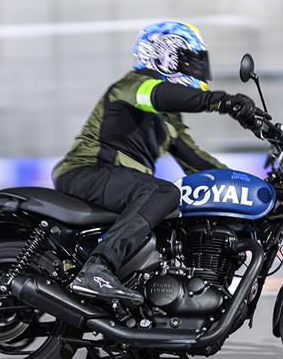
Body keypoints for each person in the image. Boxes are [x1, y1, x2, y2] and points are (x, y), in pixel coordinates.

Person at [52, 20, 258, 307]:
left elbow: (199, 163)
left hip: (117, 181)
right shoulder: (135, 85)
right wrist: (221, 101)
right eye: (190, 61)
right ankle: (98, 267)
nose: (197, 69)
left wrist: (251, 189)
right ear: (164, 55)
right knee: (164, 193)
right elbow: (159, 94)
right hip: (87, 169)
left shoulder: (168, 119)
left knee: (173, 223)